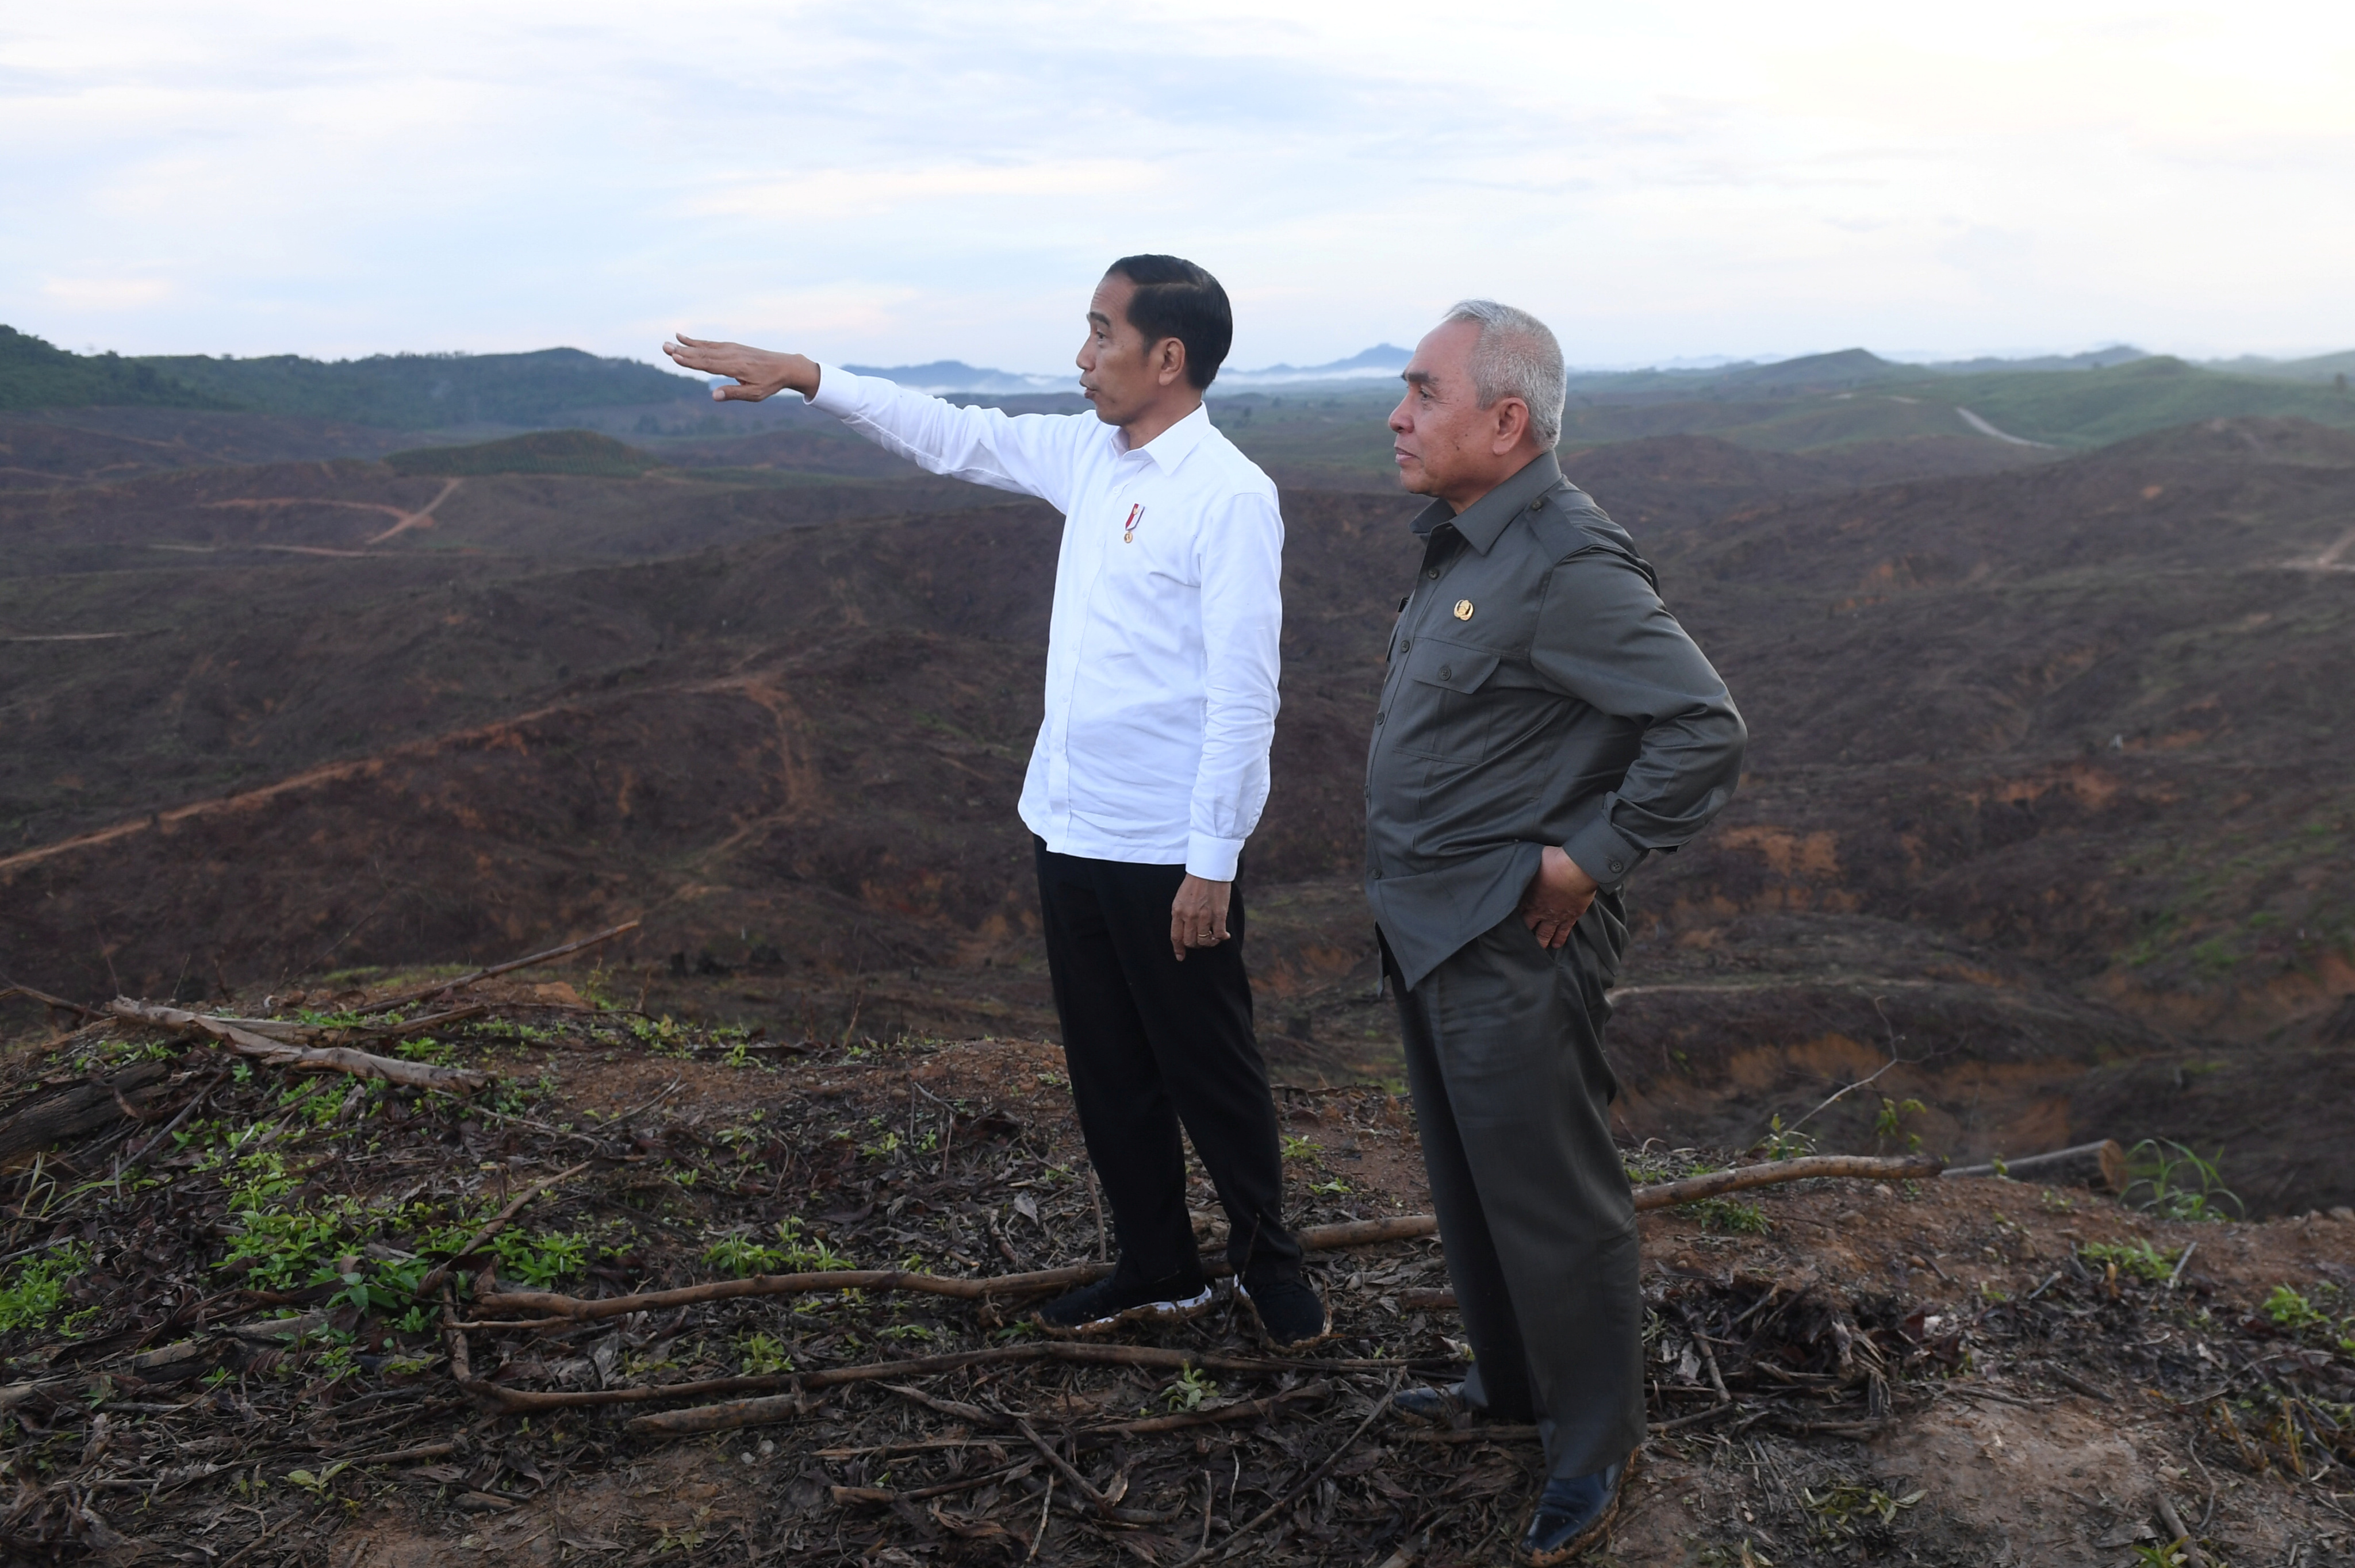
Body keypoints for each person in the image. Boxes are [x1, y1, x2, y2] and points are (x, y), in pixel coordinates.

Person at [660, 256, 1326, 1348]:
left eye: (1102, 333)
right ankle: (1159, 1268)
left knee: (1209, 1065)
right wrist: (811, 376)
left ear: (1168, 357)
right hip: (1068, 822)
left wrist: (1214, 859)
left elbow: (1245, 695)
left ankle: (1271, 1268)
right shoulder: (1092, 458)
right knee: (1108, 1067)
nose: (1083, 357)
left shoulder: (1230, 495)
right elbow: (954, 434)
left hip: (1165, 847)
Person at [1365, 301, 1746, 1563]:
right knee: (1475, 1185)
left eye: (1423, 392)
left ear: (1506, 420)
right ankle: (1514, 1387)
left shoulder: (1565, 559)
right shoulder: (1466, 545)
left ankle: (1593, 1447)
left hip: (1511, 939)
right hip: (1434, 928)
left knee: (1552, 1200)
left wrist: (1588, 860)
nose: (1397, 416)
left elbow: (1702, 726)